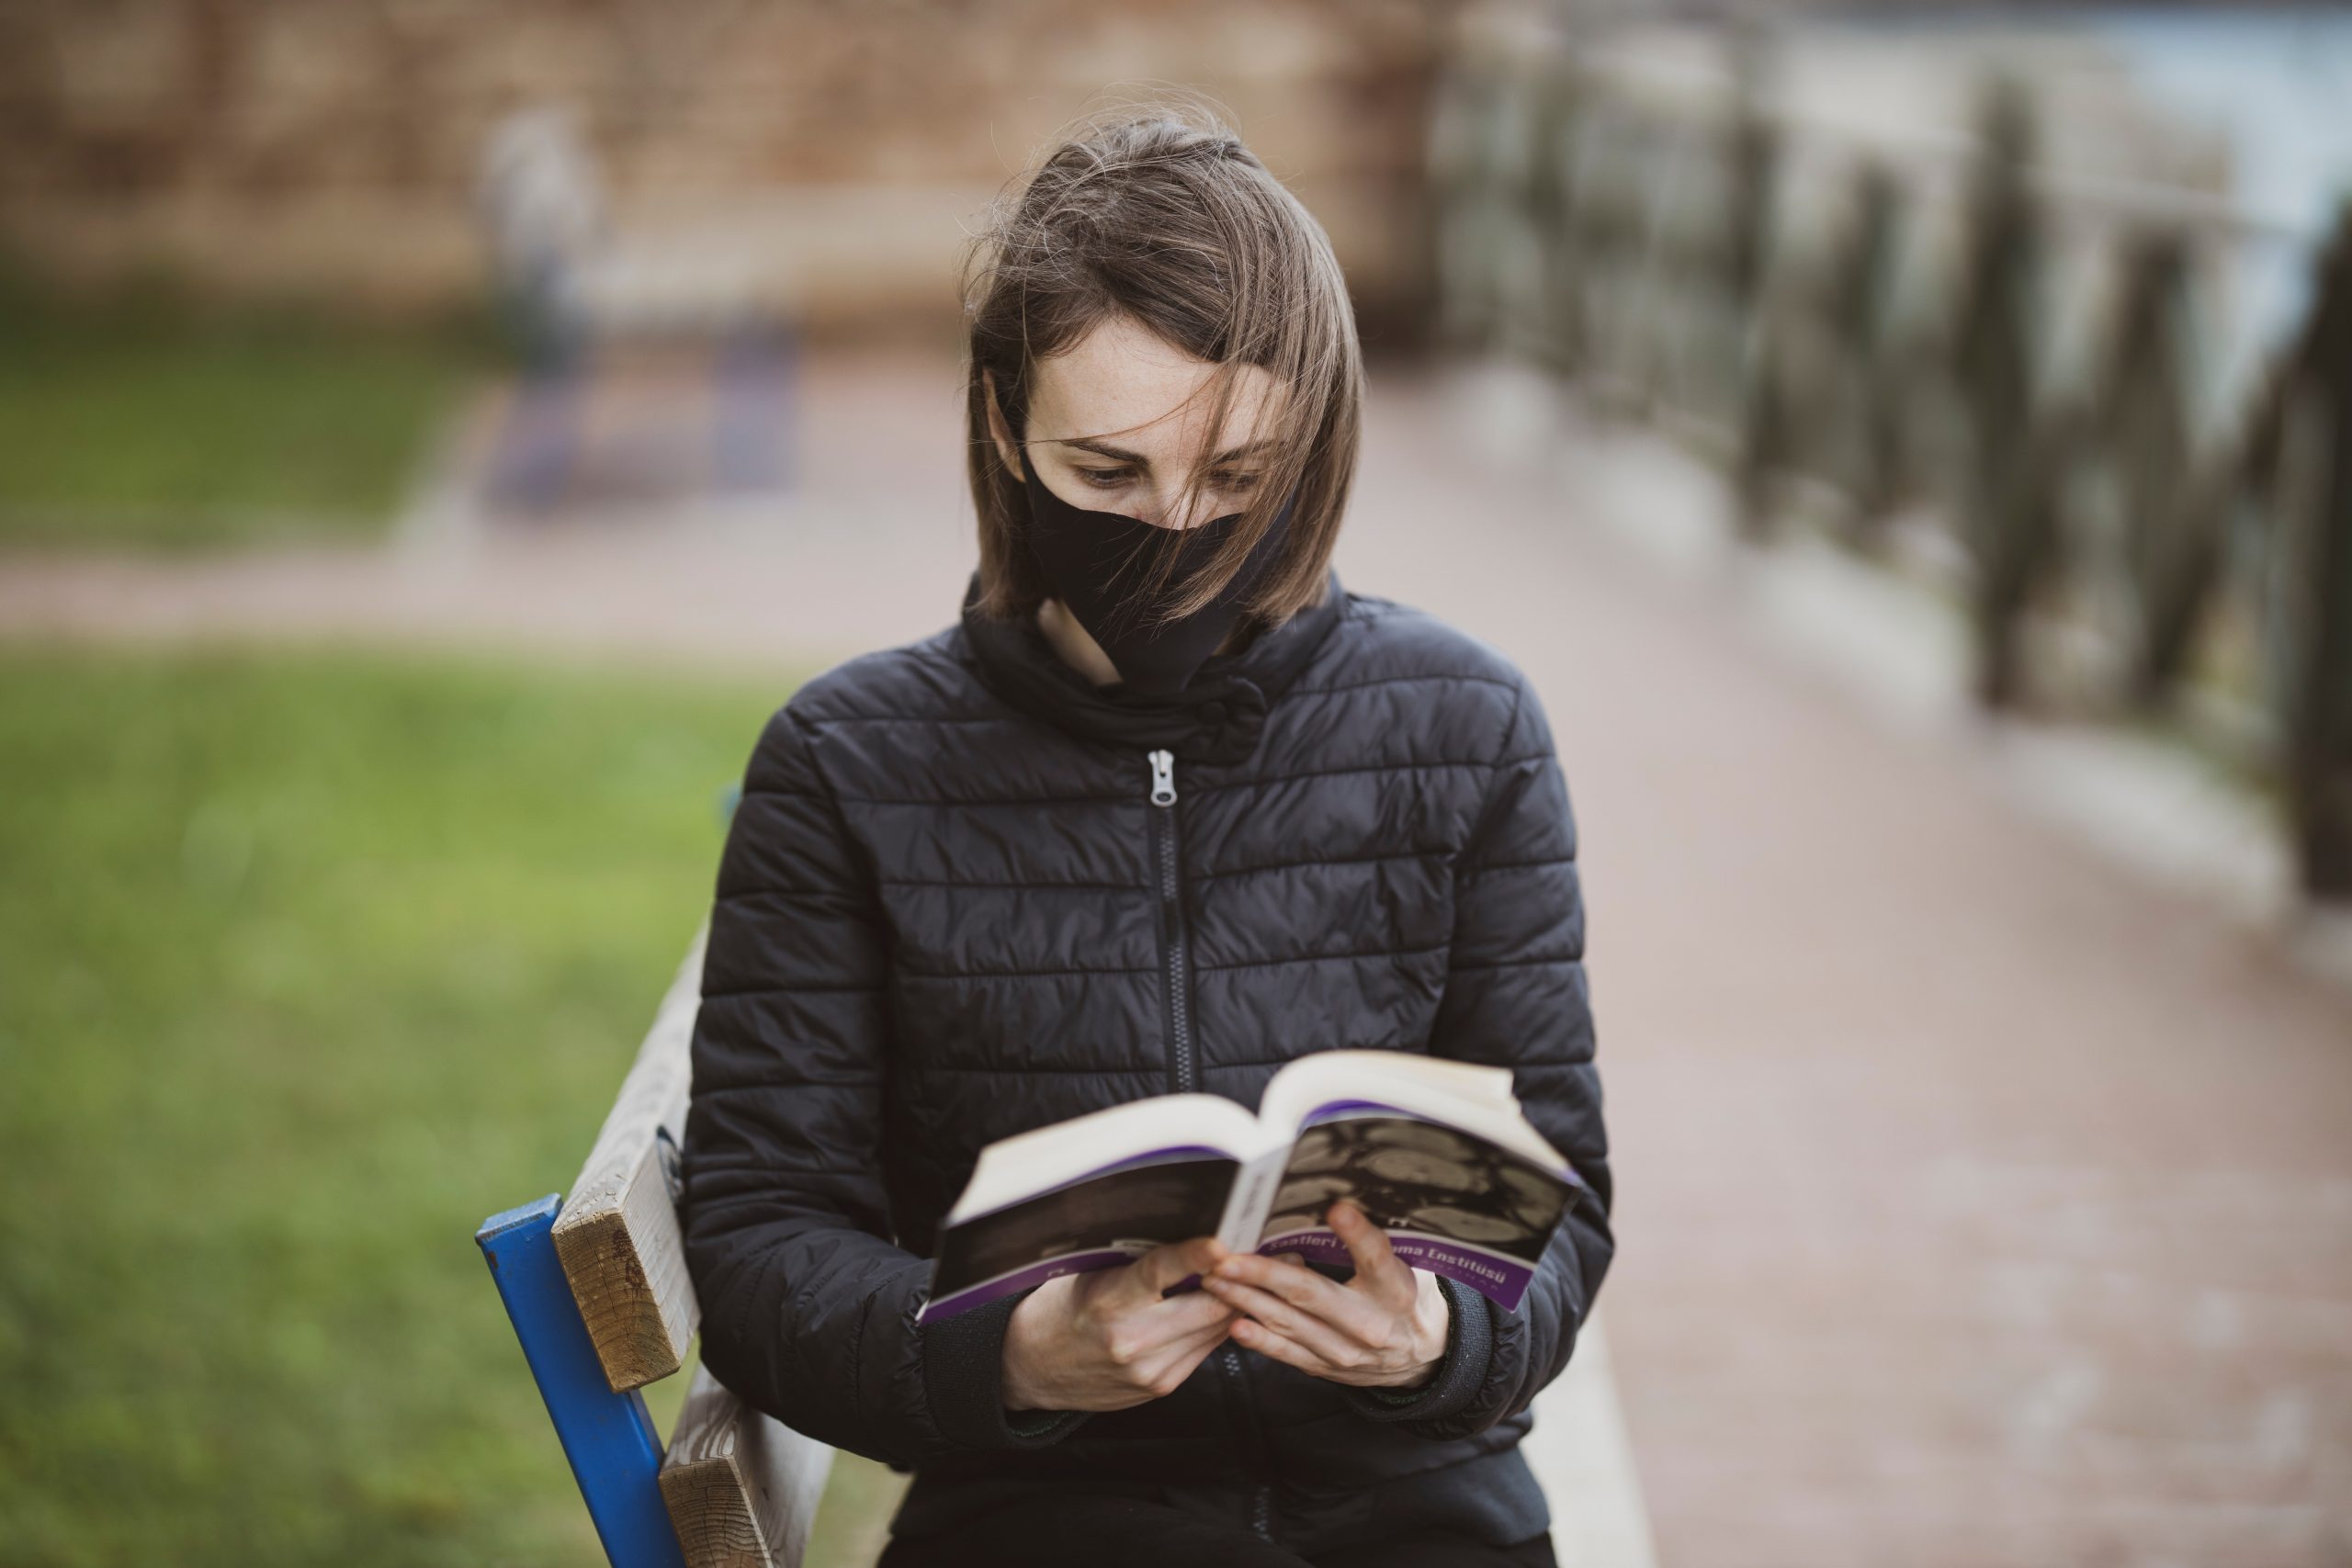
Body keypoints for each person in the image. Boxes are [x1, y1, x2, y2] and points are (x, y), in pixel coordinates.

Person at [678, 100, 1613, 1567]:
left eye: (1241, 480)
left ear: (1317, 442)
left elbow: (1559, 1190)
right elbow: (759, 1227)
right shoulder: (849, 763)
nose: (1175, 531)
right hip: (1047, 1516)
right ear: (1003, 424)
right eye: (1107, 476)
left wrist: (1440, 1338)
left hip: (1418, 1511)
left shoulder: (1465, 726)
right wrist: (1005, 1356)